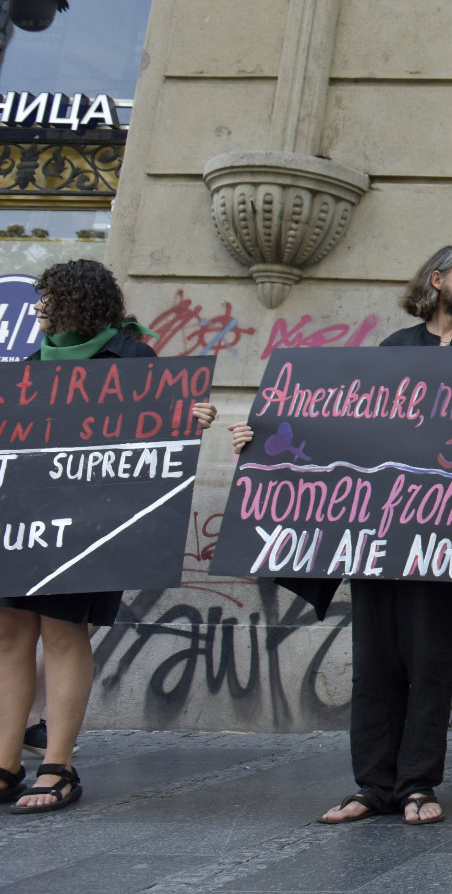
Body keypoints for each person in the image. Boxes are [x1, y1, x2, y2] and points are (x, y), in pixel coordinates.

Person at [230, 244, 452, 826]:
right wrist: (261, 439)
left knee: (430, 662)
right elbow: (341, 429)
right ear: (437, 279)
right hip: (379, 535)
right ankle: (372, 786)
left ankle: (418, 784)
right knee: (374, 664)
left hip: (448, 538)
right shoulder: (395, 349)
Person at [2, 259, 216, 813]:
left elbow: (159, 431)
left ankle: (58, 766)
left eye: (49, 298)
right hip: (26, 522)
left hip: (90, 526)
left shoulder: (132, 359)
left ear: (78, 301)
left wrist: (190, 417)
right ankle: (5, 765)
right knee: (9, 635)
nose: (39, 309)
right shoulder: (30, 364)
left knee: (63, 633)